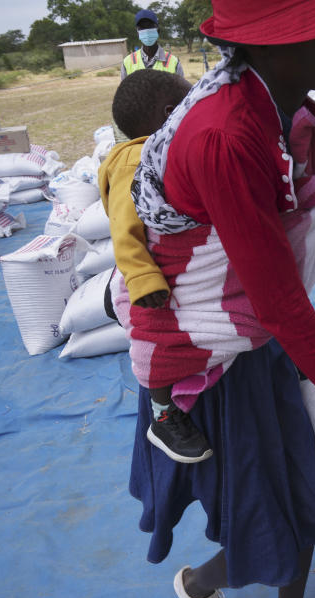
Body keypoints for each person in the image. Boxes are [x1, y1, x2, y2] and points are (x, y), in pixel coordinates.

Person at [113, 1, 315, 598]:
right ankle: (195, 586)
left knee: (296, 493)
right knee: (263, 514)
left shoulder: (281, 116)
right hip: (216, 358)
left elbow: (276, 272)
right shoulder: (227, 136)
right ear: (271, 48)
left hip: (256, 339)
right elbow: (279, 302)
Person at [100, 69, 213, 465]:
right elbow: (124, 228)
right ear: (171, 112)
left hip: (160, 268)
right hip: (145, 276)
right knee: (158, 343)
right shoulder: (138, 157)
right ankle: (163, 414)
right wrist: (142, 278)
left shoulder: (167, 150)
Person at [121, 9, 185, 80]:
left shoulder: (174, 62)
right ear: (137, 33)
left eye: (150, 26)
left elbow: (181, 91)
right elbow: (124, 90)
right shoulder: (127, 62)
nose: (146, 31)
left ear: (158, 31)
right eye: (142, 27)